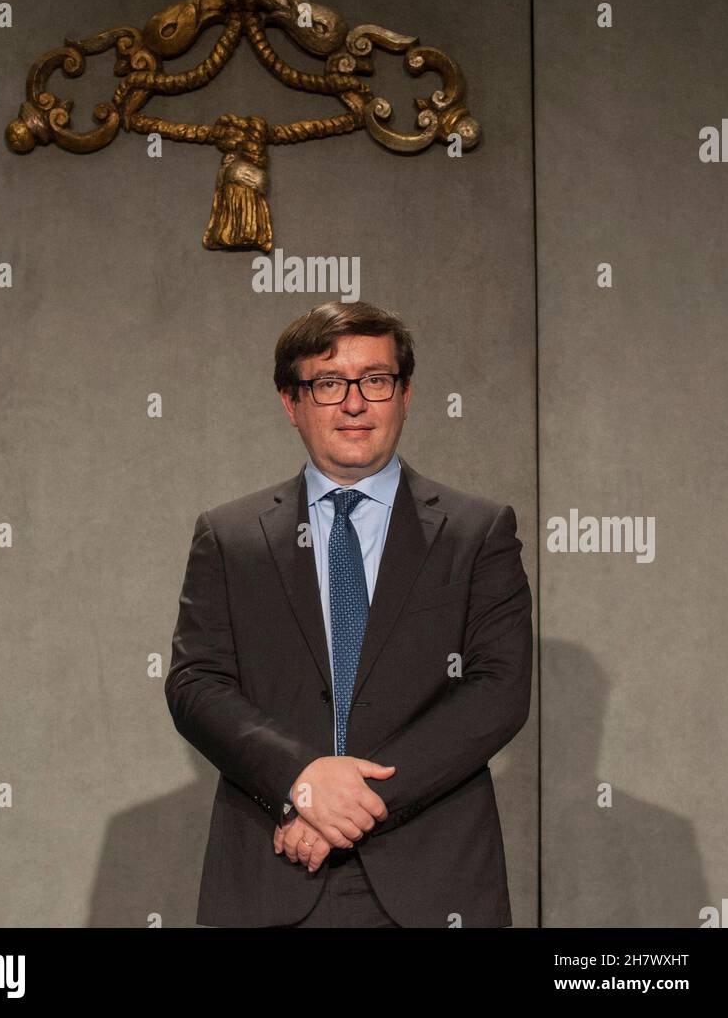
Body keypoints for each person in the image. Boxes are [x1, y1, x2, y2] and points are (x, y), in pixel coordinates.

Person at [165, 301, 532, 927]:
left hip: (436, 882)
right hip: (272, 869)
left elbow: (498, 692)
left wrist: (350, 803)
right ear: (292, 401)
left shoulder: (477, 531)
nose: (354, 403)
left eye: (376, 381)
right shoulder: (230, 538)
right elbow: (196, 685)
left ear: (406, 394)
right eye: (329, 383)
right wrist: (302, 783)